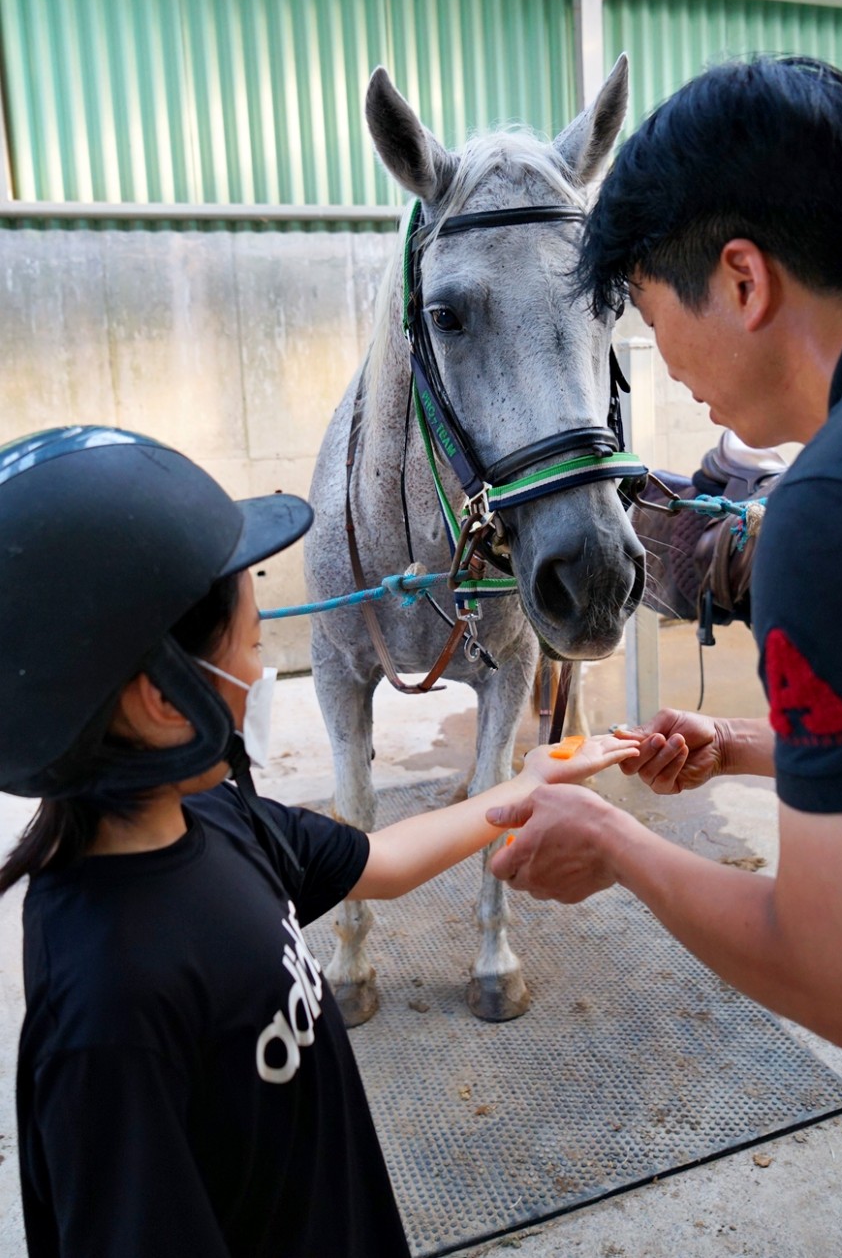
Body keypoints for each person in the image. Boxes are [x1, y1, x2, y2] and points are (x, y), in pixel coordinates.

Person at [0, 425, 641, 1258]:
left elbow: (383, 861)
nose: (263, 677)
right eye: (254, 648)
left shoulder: (221, 820)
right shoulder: (107, 1014)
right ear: (163, 700)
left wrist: (535, 779)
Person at [487, 54, 842, 1055]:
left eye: (656, 322)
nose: (674, 368)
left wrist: (618, 842)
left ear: (743, 280)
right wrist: (745, 743)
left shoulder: (838, 508)